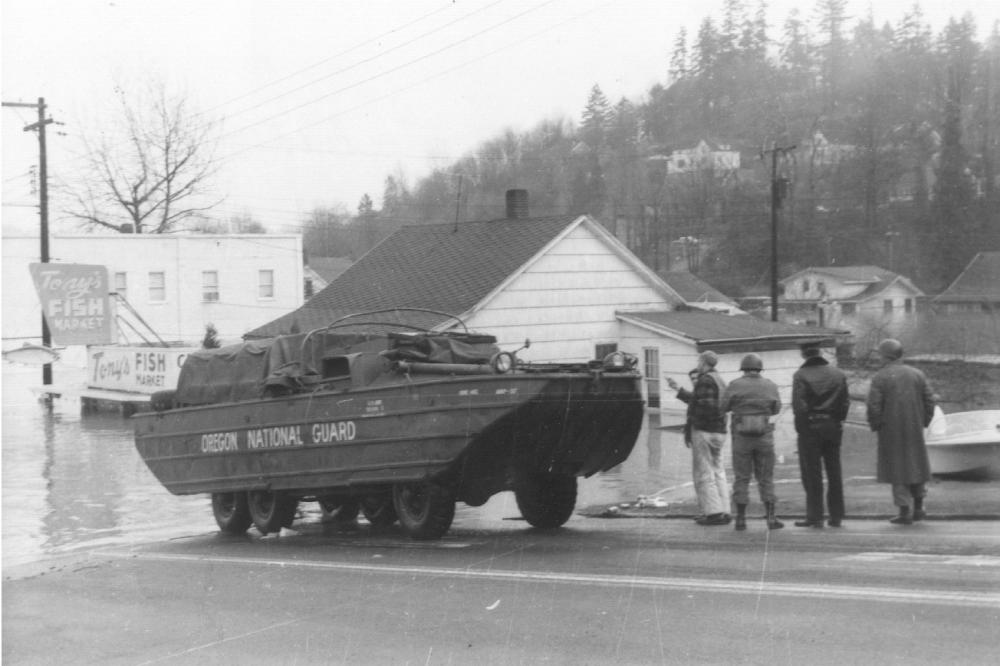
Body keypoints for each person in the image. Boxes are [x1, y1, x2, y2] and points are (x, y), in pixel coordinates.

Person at [866, 338, 936, 525]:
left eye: (880, 355)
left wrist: (876, 425)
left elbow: (874, 406)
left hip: (891, 430)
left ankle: (904, 511)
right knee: (916, 465)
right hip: (914, 427)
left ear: (886, 356)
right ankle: (919, 507)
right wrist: (924, 421)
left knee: (898, 470)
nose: (879, 358)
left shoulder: (880, 377)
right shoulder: (917, 374)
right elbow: (930, 401)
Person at [665, 351, 731, 526]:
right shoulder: (719, 380)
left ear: (704, 362)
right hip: (720, 432)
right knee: (719, 472)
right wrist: (678, 389)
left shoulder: (705, 380)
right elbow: (701, 401)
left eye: (699, 360)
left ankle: (713, 513)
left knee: (704, 473)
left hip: (705, 432)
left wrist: (693, 424)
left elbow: (704, 407)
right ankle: (725, 510)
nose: (698, 363)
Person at [721, 353, 783, 531]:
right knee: (766, 478)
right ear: (759, 368)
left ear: (743, 369)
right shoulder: (770, 385)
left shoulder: (735, 385)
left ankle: (740, 519)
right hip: (764, 437)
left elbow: (723, 407)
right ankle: (771, 518)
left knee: (741, 477)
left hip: (741, 438)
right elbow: (776, 408)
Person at [791, 341, 850, 528]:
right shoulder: (838, 374)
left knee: (812, 473)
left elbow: (799, 407)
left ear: (803, 354)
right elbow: (845, 403)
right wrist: (838, 421)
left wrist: (802, 430)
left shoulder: (801, 375)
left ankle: (815, 515)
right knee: (834, 471)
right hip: (833, 425)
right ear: (819, 352)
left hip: (810, 426)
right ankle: (836, 515)